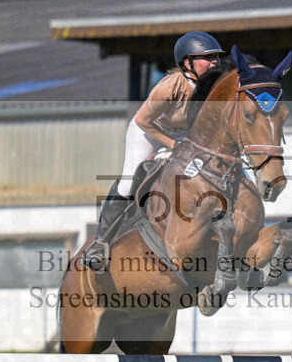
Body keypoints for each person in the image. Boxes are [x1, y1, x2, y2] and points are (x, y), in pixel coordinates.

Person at [80, 31, 226, 271]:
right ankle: (100, 243)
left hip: (183, 137)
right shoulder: (170, 86)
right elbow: (143, 121)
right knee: (128, 184)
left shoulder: (215, 87)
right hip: (149, 132)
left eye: (216, 57)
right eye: (206, 57)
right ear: (187, 63)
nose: (214, 62)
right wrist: (172, 145)